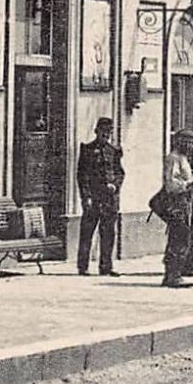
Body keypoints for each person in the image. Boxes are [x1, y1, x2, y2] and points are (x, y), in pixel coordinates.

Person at [75, 117, 125, 277]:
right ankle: (83, 267)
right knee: (87, 232)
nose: (106, 135)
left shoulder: (114, 151)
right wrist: (86, 197)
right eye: (103, 132)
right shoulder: (87, 150)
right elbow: (82, 176)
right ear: (96, 131)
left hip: (110, 199)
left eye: (109, 132)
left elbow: (120, 173)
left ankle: (106, 266)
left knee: (108, 233)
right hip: (94, 197)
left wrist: (115, 184)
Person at [159, 130, 193, 289]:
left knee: (182, 236)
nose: (189, 145)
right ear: (178, 142)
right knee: (178, 236)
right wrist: (190, 183)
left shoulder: (183, 158)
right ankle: (172, 275)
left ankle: (175, 274)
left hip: (184, 202)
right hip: (176, 202)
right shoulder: (173, 158)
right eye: (186, 142)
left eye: (191, 142)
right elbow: (171, 183)